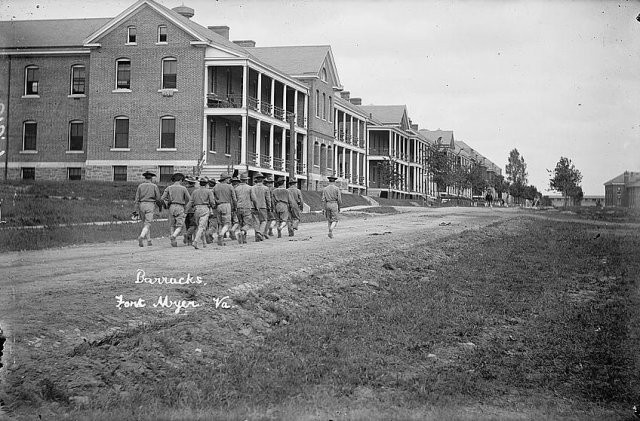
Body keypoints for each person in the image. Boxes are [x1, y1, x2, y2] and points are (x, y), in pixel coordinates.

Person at [161, 172, 191, 247]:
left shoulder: (169, 188)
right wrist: (187, 207)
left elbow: (162, 198)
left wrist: (167, 203)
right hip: (180, 206)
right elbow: (190, 199)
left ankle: (173, 241)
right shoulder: (183, 188)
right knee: (180, 225)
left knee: (172, 224)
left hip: (171, 207)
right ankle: (174, 236)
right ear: (180, 180)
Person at [186, 176, 216, 249]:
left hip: (196, 209)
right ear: (206, 184)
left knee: (201, 227)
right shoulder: (208, 191)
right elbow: (212, 201)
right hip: (205, 208)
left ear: (199, 184)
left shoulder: (195, 191)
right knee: (201, 227)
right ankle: (195, 241)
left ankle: (204, 243)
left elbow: (191, 201)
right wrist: (213, 206)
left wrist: (186, 210)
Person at [134, 171, 161, 247]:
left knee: (145, 223)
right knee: (148, 223)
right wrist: (160, 206)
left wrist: (135, 209)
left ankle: (149, 240)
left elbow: (136, 199)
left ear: (145, 178)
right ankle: (141, 236)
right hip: (150, 205)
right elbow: (158, 198)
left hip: (141, 205)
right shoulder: (154, 186)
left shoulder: (140, 186)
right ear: (151, 178)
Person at [212, 172, 237, 246]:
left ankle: (220, 238)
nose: (229, 180)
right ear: (226, 179)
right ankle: (221, 235)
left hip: (218, 205)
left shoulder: (216, 186)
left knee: (220, 223)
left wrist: (216, 201)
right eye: (228, 178)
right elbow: (234, 199)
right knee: (227, 223)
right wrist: (235, 206)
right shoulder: (230, 187)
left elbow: (212, 196)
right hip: (226, 205)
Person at [234, 172, 255, 244]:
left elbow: (234, 199)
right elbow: (253, 198)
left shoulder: (236, 188)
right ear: (246, 180)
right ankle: (242, 232)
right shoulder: (250, 188)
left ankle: (243, 238)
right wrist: (255, 205)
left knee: (241, 223)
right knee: (248, 223)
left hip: (238, 207)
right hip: (247, 207)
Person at [250, 172, 270, 242]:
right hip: (263, 206)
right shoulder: (266, 188)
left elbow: (251, 198)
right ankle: (260, 233)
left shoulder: (252, 188)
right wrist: (269, 207)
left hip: (253, 207)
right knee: (264, 221)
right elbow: (268, 199)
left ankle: (257, 237)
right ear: (262, 180)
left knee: (256, 221)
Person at [183, 176, 198, 246]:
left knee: (187, 225)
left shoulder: (184, 189)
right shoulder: (196, 190)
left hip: (185, 209)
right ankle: (190, 236)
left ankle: (189, 241)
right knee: (194, 225)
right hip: (193, 209)